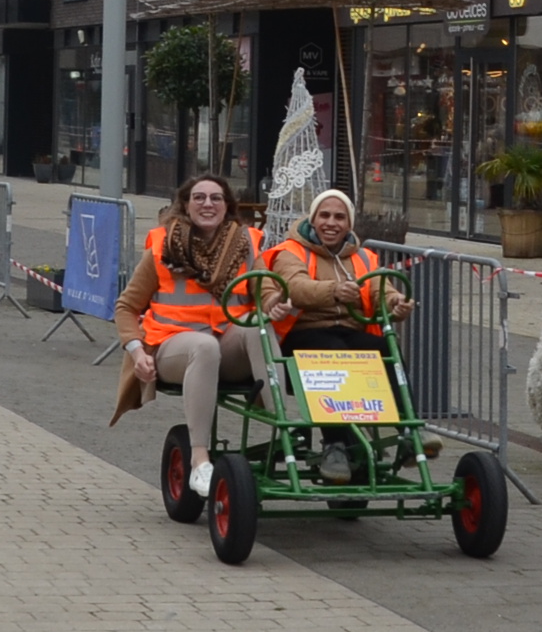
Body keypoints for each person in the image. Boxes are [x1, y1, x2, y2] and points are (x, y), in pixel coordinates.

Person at [108, 171, 260, 494]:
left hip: (226, 345)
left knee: (259, 328)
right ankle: (199, 462)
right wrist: (136, 352)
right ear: (186, 205)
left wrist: (277, 301)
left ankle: (288, 431)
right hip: (172, 347)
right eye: (199, 198)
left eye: (216, 198)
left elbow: (266, 291)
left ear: (227, 206)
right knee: (204, 347)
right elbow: (126, 307)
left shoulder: (246, 245)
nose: (208, 204)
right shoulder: (163, 246)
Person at [261, 188, 409, 351]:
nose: (331, 223)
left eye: (339, 217)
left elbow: (379, 290)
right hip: (304, 331)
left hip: (351, 331)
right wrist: (334, 291)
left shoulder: (363, 257)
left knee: (387, 348)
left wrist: (395, 302)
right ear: (313, 220)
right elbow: (293, 287)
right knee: (335, 349)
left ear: (349, 225)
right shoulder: (291, 251)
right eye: (324, 215)